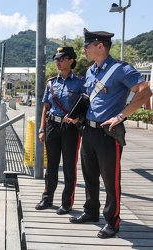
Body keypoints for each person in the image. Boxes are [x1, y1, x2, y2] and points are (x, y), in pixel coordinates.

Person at [68, 28, 152, 239]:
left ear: (100, 46)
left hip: (108, 132)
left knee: (110, 179)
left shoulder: (121, 69)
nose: (84, 50)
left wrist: (121, 116)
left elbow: (145, 91)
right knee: (89, 176)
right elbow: (91, 98)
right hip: (88, 129)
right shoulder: (90, 71)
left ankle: (112, 222)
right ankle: (90, 211)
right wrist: (79, 114)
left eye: (87, 46)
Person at [35, 47, 86, 215]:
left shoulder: (80, 82)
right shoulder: (51, 82)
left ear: (71, 60)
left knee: (69, 166)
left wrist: (78, 119)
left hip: (70, 128)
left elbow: (86, 105)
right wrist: (42, 129)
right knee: (51, 165)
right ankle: (47, 197)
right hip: (52, 126)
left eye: (61, 58)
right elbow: (45, 108)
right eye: (56, 59)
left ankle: (67, 202)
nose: (57, 62)